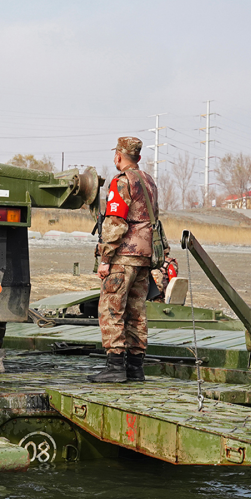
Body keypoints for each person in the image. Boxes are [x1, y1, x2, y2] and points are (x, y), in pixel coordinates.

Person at [88, 136, 158, 383]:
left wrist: (105, 258)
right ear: (138, 157)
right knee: (136, 311)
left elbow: (115, 222)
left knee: (111, 308)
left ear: (118, 156)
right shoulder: (148, 182)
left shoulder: (122, 182)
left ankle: (116, 366)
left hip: (124, 256)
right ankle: (135, 368)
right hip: (144, 257)